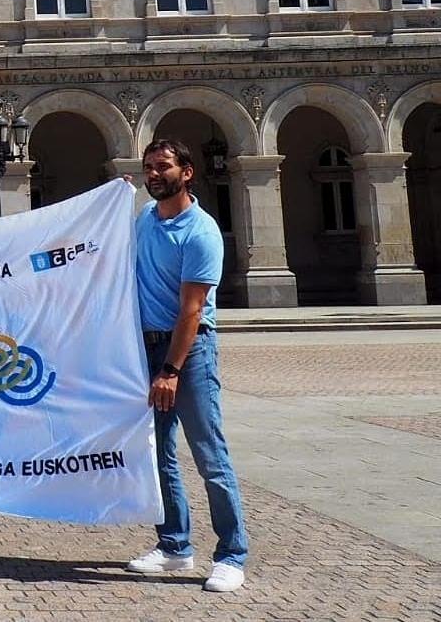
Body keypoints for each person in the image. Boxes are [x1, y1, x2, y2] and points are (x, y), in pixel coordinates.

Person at [125, 139, 249, 593]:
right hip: (147, 347)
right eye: (148, 168)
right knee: (158, 453)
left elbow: (192, 311)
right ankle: (174, 545)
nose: (154, 174)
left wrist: (170, 370)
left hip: (189, 353)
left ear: (187, 173)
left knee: (208, 454)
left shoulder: (201, 231)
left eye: (163, 167)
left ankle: (232, 555)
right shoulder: (145, 219)